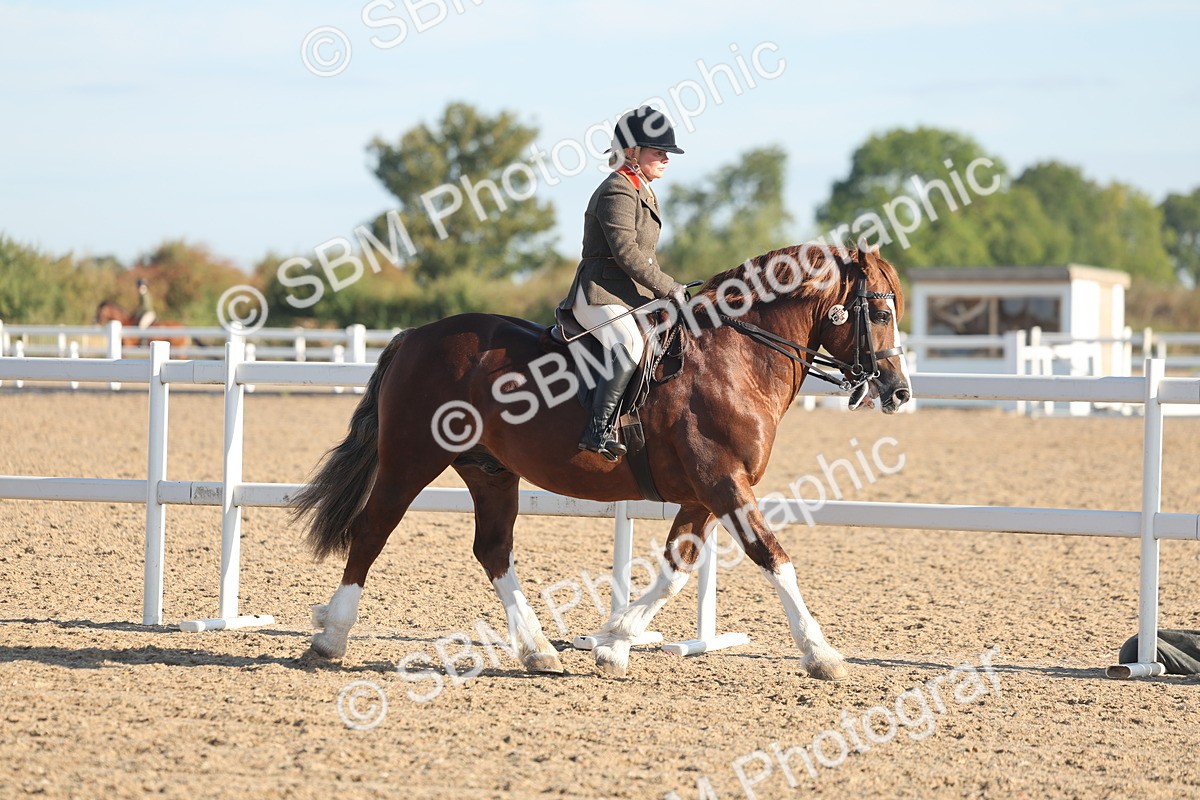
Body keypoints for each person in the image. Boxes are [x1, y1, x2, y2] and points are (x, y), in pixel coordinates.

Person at [557, 105, 689, 462]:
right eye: (657, 151)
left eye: (666, 152)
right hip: (598, 294)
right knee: (629, 342)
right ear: (631, 152)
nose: (665, 158)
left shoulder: (641, 189)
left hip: (627, 295)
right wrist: (669, 287)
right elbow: (627, 253)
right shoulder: (618, 190)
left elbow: (644, 256)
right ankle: (597, 430)